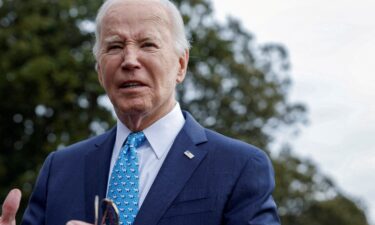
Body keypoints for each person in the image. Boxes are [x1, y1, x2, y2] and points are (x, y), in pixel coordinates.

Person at [0, 0, 281, 224]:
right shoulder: (59, 169)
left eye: (148, 44)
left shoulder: (239, 167)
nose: (130, 60)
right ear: (100, 71)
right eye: (115, 46)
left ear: (181, 65)